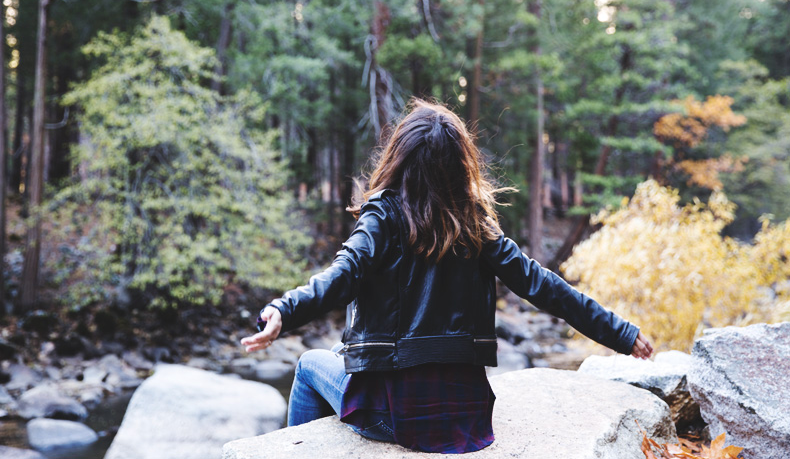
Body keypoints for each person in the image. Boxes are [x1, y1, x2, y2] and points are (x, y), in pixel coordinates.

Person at [241, 98, 653, 453]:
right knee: (338, 351)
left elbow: (342, 275)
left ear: (399, 156)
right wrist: (621, 332)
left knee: (310, 364)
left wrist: (283, 310)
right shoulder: (475, 224)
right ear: (460, 165)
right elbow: (544, 286)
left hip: (394, 422)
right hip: (466, 421)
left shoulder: (384, 215)